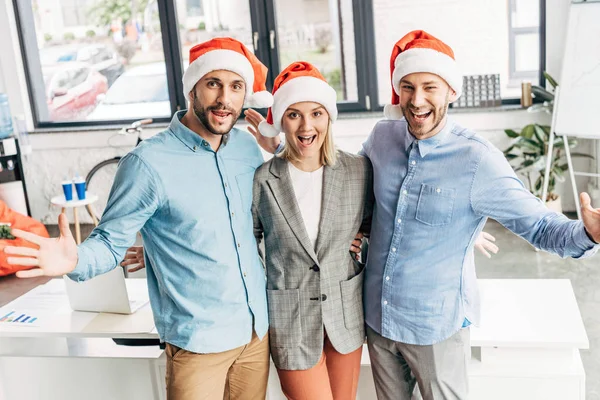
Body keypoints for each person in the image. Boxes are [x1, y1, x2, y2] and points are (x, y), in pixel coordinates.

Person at [5, 37, 278, 400]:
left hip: (255, 333)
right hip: (199, 342)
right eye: (213, 83)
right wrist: (75, 260)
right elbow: (107, 241)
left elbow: (242, 228)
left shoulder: (246, 149)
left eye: (236, 87)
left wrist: (159, 250)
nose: (224, 99)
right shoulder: (147, 164)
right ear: (192, 89)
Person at [361, 30, 600, 400]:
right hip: (378, 316)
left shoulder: (477, 161)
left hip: (435, 328)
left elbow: (538, 225)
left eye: (430, 87)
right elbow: (353, 188)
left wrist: (588, 233)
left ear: (452, 92)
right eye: (407, 87)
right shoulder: (381, 137)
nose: (416, 100)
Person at [245, 61, 371, 400]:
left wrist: (362, 242)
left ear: (329, 117)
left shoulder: (358, 170)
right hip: (292, 319)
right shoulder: (263, 180)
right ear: (281, 120)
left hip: (343, 315)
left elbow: (378, 224)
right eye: (294, 114)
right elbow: (246, 244)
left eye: (316, 113)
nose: (306, 125)